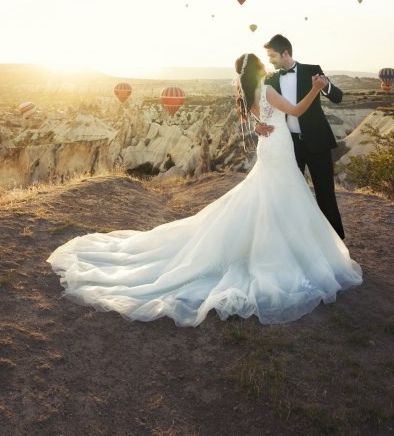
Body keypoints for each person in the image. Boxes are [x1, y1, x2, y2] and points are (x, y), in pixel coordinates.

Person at [47, 53, 362, 327]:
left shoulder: (250, 95)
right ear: (259, 70)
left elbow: (258, 120)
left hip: (269, 148)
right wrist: (315, 89)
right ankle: (282, 254)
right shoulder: (267, 88)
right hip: (278, 148)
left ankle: (266, 248)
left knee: (267, 198)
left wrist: (259, 125)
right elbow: (295, 112)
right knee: (281, 197)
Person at [258, 34, 346, 239]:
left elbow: (338, 97)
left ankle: (336, 243)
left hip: (317, 143)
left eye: (272, 56)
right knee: (290, 195)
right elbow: (263, 109)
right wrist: (257, 126)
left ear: (285, 53)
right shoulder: (270, 79)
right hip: (288, 146)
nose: (269, 61)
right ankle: (296, 243)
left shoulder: (312, 70)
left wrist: (326, 86)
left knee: (325, 195)